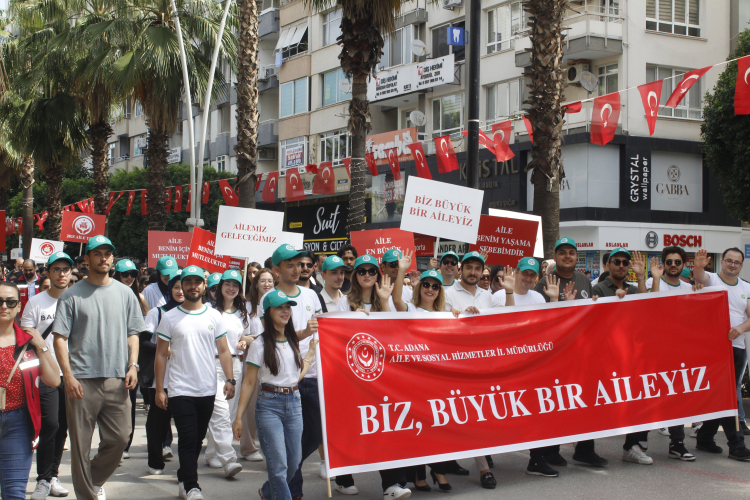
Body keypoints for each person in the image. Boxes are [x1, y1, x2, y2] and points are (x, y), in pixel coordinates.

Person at [51, 235, 145, 500]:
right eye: (97, 253)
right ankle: (87, 495)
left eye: (107, 253)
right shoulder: (71, 295)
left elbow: (133, 333)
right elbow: (60, 338)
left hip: (118, 378)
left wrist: (133, 365)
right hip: (81, 379)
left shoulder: (125, 293)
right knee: (80, 445)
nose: (103, 258)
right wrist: (68, 376)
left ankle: (91, 480)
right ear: (87, 258)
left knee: (120, 438)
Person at [154, 266, 237, 500]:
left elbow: (224, 350)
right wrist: (160, 389)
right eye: (187, 282)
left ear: (204, 285)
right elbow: (160, 354)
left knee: (198, 438)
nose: (192, 286)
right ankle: (192, 486)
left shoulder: (214, 316)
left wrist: (230, 379)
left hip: (207, 388)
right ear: (181, 286)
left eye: (197, 282)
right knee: (188, 438)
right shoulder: (169, 317)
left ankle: (183, 476)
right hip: (180, 389)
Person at [233, 290, 318, 500]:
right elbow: (249, 382)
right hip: (269, 406)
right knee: (279, 466)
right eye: (279, 307)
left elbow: (294, 377)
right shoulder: (259, 344)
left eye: (287, 307)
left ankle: (267, 492)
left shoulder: (292, 339)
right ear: (268, 312)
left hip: (294, 403)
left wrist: (309, 354)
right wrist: (238, 417)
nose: (285, 311)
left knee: (293, 463)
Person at [534, 237, 608, 468]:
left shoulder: (584, 280)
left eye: (571, 253)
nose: (567, 256)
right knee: (555, 401)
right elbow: (537, 319)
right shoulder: (544, 283)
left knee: (586, 400)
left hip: (580, 350)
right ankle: (550, 450)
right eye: (562, 252)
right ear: (555, 257)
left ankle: (585, 450)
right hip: (554, 352)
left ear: (577, 257)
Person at [442, 251, 511, 489]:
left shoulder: (487, 295)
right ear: (461, 269)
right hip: (457, 365)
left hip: (483, 364)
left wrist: (509, 292)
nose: (473, 272)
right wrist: (457, 318)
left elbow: (505, 320)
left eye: (477, 268)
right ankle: (484, 469)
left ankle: (454, 461)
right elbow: (439, 326)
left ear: (483, 272)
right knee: (468, 415)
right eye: (469, 267)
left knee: (477, 415)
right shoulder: (448, 293)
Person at [590, 248, 656, 465]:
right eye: (616, 261)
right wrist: (615, 303)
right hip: (607, 355)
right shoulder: (598, 288)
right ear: (608, 265)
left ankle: (632, 446)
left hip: (633, 354)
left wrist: (643, 277)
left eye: (625, 263)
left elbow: (648, 306)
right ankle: (584, 448)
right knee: (598, 402)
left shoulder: (634, 288)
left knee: (640, 399)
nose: (621, 266)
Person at [0, 281, 61, 500]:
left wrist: (41, 345)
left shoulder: (29, 342)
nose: (4, 306)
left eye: (10, 302)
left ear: (19, 306)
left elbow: (53, 380)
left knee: (14, 492)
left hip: (18, 424)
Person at [21, 253, 72, 500]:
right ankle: (42, 479)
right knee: (50, 424)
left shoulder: (78, 300)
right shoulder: (36, 302)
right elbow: (26, 334)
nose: (62, 274)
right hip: (45, 375)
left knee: (63, 427)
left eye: (66, 269)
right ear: (48, 273)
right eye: (57, 269)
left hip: (72, 374)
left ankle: (53, 476)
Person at [505, 257, 561, 477]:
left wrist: (554, 300)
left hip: (532, 364)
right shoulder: (499, 296)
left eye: (532, 275)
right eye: (524, 273)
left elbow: (551, 325)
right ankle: (486, 457)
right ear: (516, 272)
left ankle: (536, 460)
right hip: (506, 366)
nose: (528, 278)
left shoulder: (538, 298)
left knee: (537, 411)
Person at [692, 248, 750, 461]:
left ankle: (705, 437)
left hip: (737, 347)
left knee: (722, 395)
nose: (732, 265)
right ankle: (736, 445)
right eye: (729, 260)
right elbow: (700, 277)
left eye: (737, 262)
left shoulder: (746, 287)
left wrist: (741, 328)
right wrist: (698, 267)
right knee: (728, 396)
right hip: (714, 348)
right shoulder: (712, 279)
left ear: (741, 265)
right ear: (722, 262)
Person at [645, 246, 703, 458]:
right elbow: (650, 305)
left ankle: (677, 444)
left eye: (677, 262)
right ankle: (637, 443)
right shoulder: (653, 282)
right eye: (669, 261)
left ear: (683, 265)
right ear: (663, 264)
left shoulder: (689, 288)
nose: (673, 265)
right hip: (655, 349)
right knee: (648, 395)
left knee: (678, 396)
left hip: (679, 351)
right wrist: (656, 279)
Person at [204, 270, 247, 477]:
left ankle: (212, 453)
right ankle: (228, 457)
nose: (231, 288)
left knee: (228, 413)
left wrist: (245, 341)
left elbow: (250, 335)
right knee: (219, 410)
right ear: (220, 287)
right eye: (227, 284)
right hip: (213, 363)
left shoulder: (242, 313)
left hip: (235, 364)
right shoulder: (209, 310)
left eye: (235, 285)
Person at [142, 270, 183, 475]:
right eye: (176, 287)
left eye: (184, 286)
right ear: (169, 289)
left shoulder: (199, 314)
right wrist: (165, 350)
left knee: (187, 425)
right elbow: (143, 341)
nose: (181, 291)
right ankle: (155, 461)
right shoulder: (157, 313)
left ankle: (186, 467)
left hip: (187, 380)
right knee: (157, 422)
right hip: (162, 378)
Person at [113, 258, 151, 461]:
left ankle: (125, 445)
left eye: (133, 274)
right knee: (111, 404)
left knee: (129, 401)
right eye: (124, 274)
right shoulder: (109, 294)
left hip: (132, 356)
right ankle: (111, 446)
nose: (129, 278)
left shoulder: (140, 298)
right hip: (111, 355)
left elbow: (146, 327)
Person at [239, 268, 275, 462]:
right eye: (263, 281)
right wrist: (257, 340)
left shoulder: (277, 303)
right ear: (255, 283)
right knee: (251, 404)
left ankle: (269, 447)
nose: (267, 284)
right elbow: (241, 335)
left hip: (272, 360)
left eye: (270, 281)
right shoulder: (246, 306)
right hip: (252, 359)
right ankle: (248, 446)